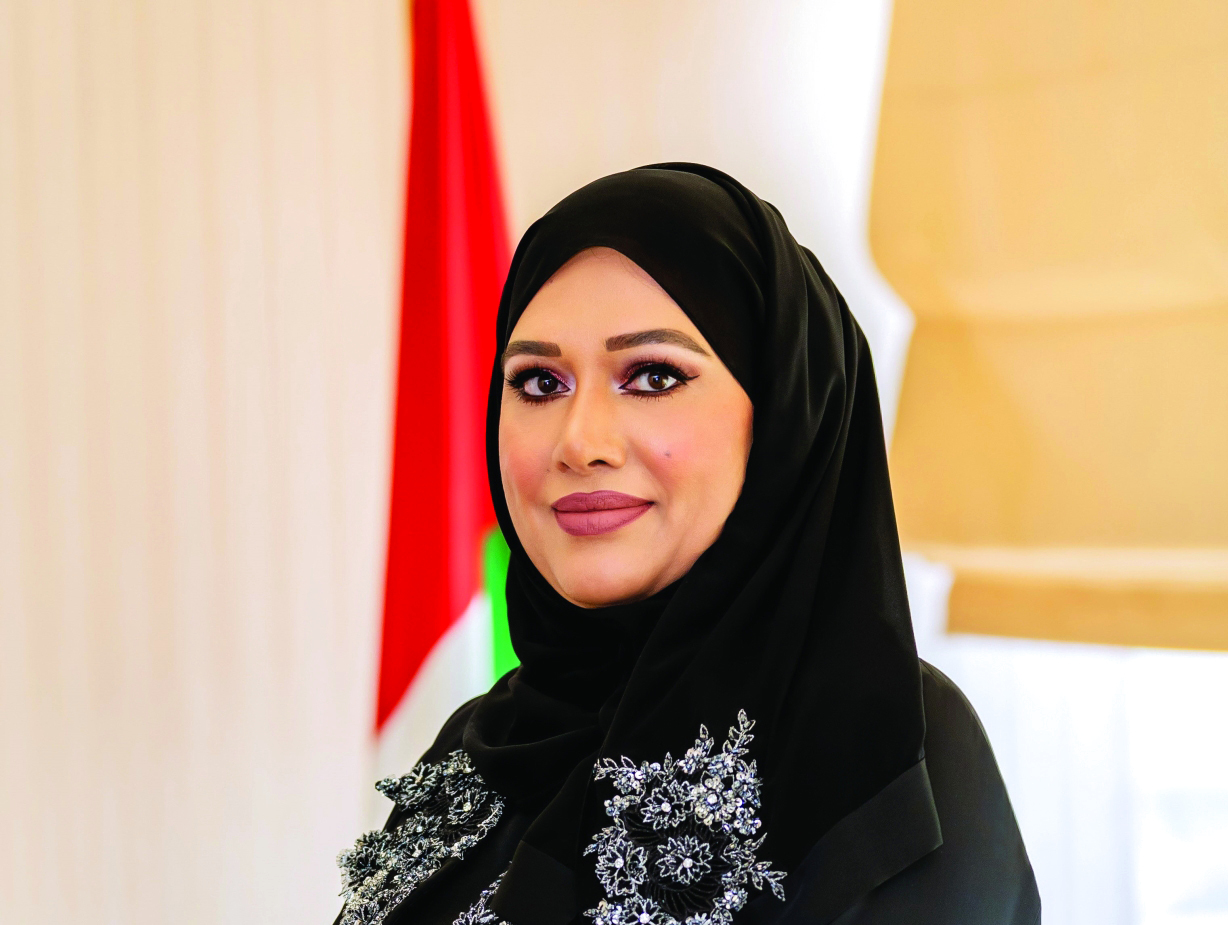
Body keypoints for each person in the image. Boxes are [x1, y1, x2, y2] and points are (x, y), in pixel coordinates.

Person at [334, 165, 1040, 925]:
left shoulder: (881, 740)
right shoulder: (481, 743)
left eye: (652, 376)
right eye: (539, 383)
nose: (580, 443)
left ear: (781, 414)